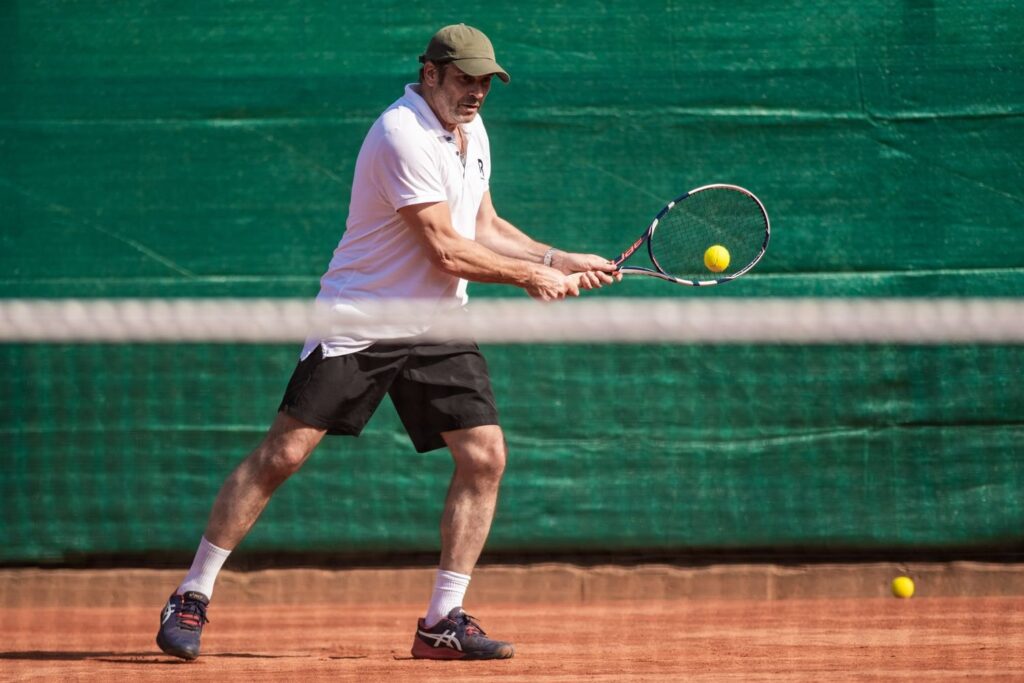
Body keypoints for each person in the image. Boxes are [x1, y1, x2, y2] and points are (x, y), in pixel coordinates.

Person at [155, 23, 620, 662]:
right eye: (464, 78)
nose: (477, 92)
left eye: (485, 81)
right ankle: (191, 594)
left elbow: (481, 224)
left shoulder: (472, 131)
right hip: (363, 319)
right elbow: (446, 247)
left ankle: (441, 620)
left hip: (437, 324)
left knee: (484, 457)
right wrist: (529, 277)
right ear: (429, 72)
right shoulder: (400, 133)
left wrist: (556, 255)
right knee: (284, 454)